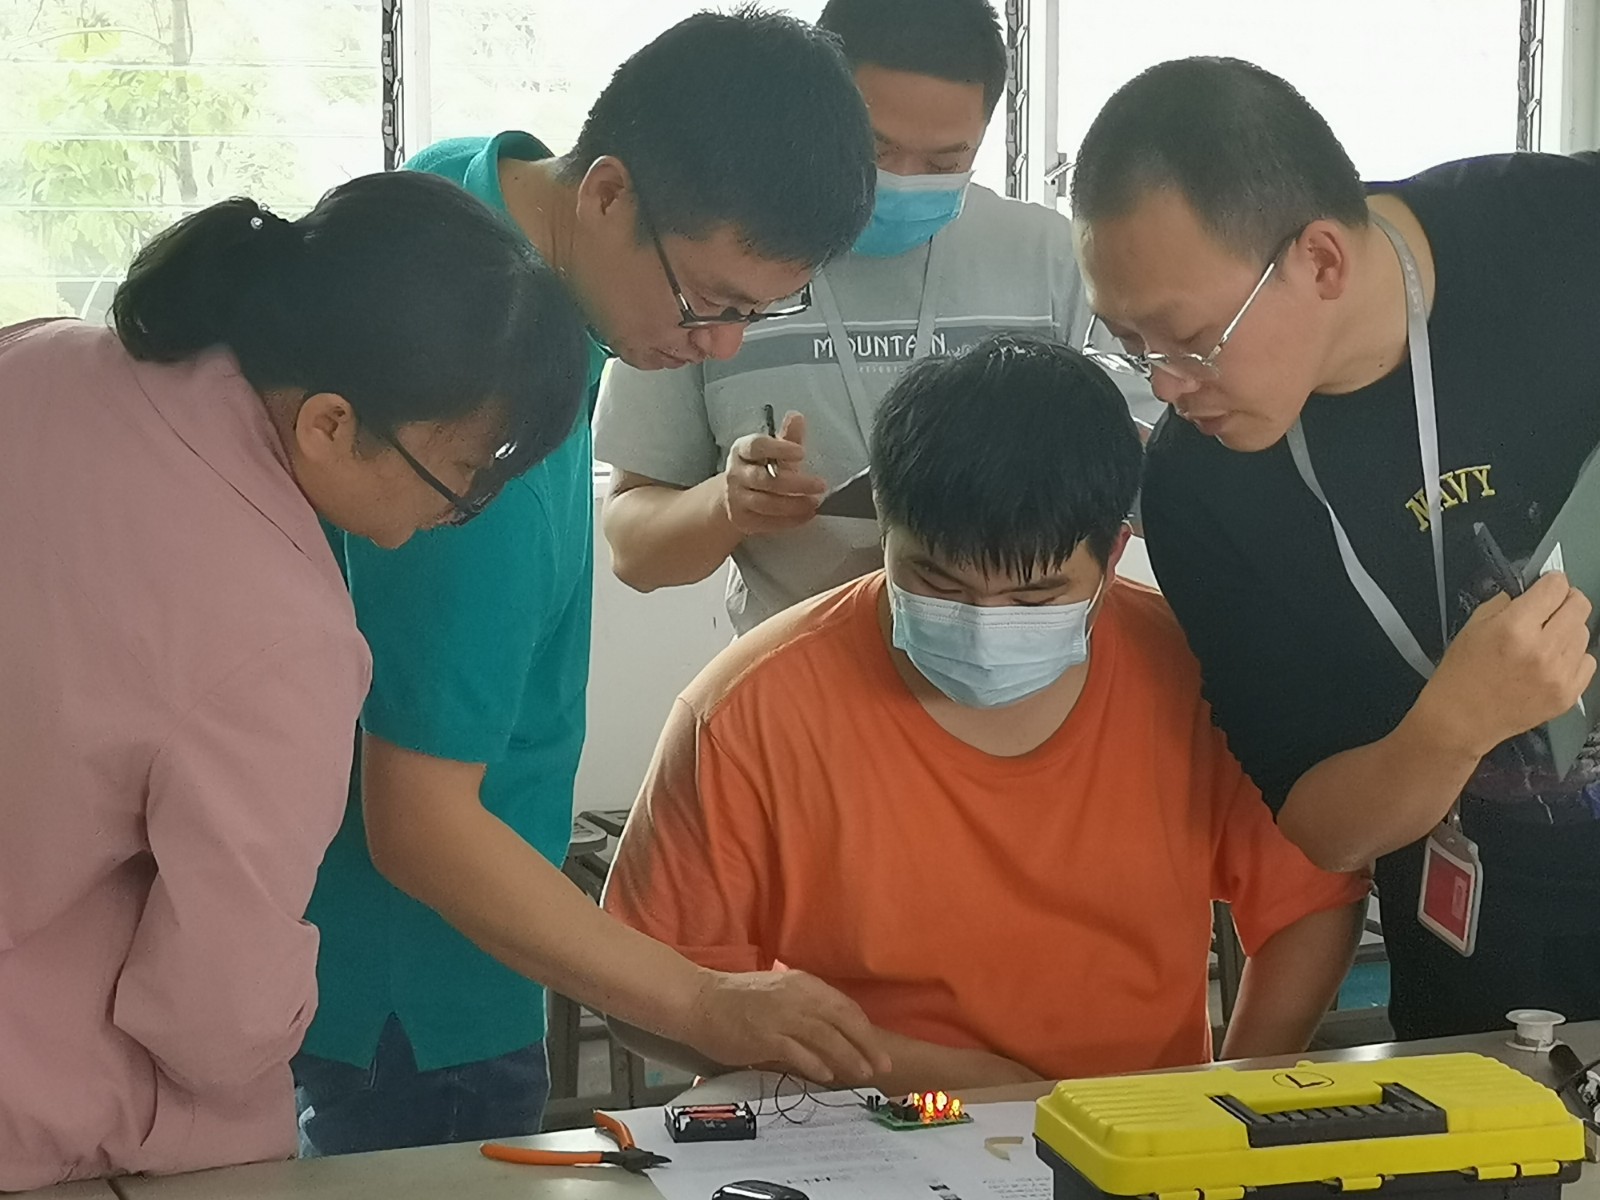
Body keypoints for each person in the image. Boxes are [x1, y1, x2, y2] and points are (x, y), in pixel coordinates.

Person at [294, 8, 890, 1158]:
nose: (720, 347)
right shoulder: (485, 425)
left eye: (757, 315)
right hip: (423, 991)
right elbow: (420, 824)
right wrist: (704, 1004)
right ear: (608, 192)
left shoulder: (458, 197)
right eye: (708, 300)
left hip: (366, 952)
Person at [0, 171, 588, 1190]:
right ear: (329, 425)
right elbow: (210, 1020)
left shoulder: (44, 357)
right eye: (461, 476)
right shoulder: (284, 638)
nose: (462, 514)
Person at [601, 335, 1369, 1092]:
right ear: (884, 523)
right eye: (939, 584)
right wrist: (927, 1077)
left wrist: (1228, 1096)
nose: (982, 623)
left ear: (1114, 552)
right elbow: (645, 994)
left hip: (1130, 1132)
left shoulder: (1200, 678)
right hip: (862, 1126)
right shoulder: (751, 714)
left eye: (1035, 597)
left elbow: (1309, 904)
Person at [1068, 57, 1600, 1041]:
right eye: (1130, 345)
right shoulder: (1200, 485)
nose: (1166, 385)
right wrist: (1455, 724)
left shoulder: (1561, 233)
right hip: (1483, 935)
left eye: (1186, 339)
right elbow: (1322, 823)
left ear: (1320, 261)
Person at [594, 0, 1158, 636]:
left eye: (944, 163)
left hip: (1022, 664)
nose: (905, 181)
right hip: (800, 670)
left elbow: (1152, 489)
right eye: (876, 150)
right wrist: (726, 505)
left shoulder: (1056, 260)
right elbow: (633, 549)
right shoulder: (714, 262)